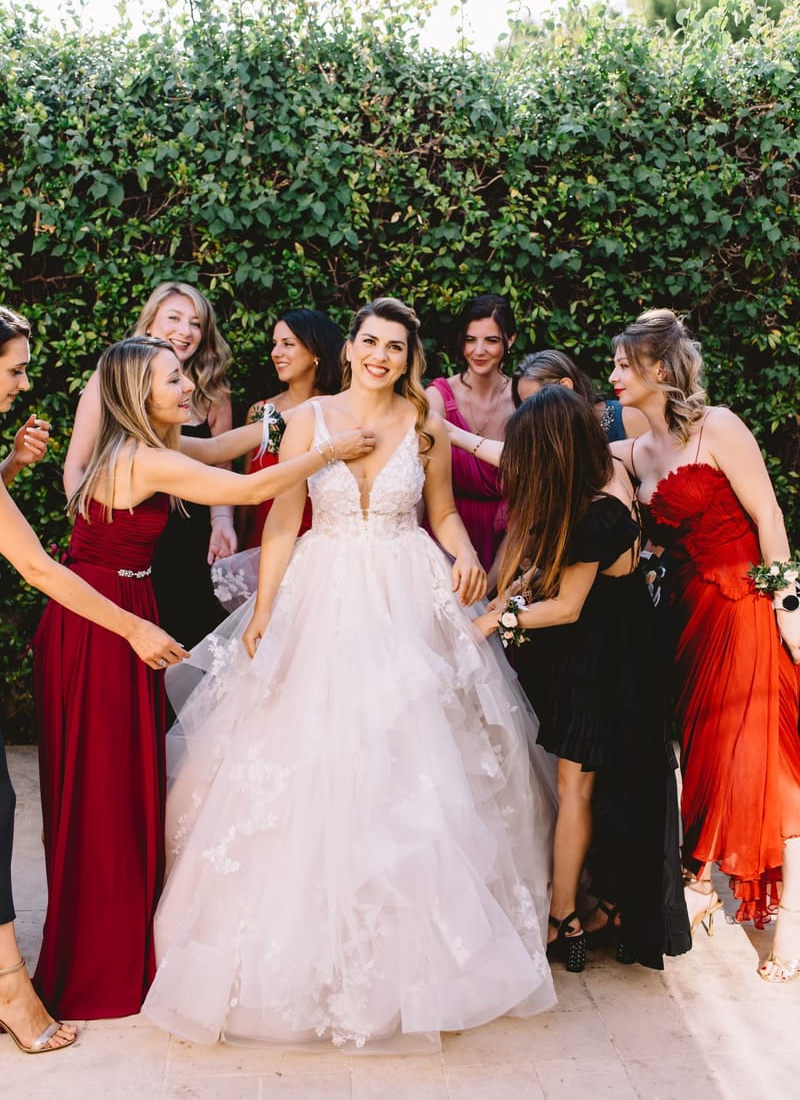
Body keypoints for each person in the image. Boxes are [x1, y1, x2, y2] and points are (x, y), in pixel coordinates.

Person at [142, 297, 557, 1051]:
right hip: (322, 591)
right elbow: (281, 517)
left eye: (395, 347)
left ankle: (412, 956)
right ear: (351, 348)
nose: (379, 356)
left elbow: (442, 512)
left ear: (409, 358)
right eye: (369, 341)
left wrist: (466, 553)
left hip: (405, 593)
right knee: (304, 754)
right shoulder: (308, 419)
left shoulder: (425, 422)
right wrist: (266, 608)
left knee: (410, 759)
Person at [34, 335, 373, 1021]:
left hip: (119, 608)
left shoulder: (152, 446)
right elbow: (246, 487)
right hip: (102, 623)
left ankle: (112, 943)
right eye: (173, 379)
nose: (188, 386)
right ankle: (98, 963)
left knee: (118, 785)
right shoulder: (142, 458)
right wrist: (326, 449)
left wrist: (296, 418)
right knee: (103, 788)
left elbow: (220, 449)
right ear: (139, 393)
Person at [0, 309, 185, 1054]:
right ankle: (12, 989)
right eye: (15, 368)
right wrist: (133, 628)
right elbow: (37, 566)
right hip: (99, 618)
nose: (23, 382)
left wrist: (11, 468)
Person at [466, 386, 689, 971]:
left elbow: (566, 607)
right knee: (594, 787)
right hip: (617, 650)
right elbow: (560, 571)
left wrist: (495, 621)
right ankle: (596, 907)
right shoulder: (606, 479)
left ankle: (562, 917)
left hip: (605, 663)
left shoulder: (596, 514)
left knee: (576, 790)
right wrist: (513, 594)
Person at [608, 309, 800, 982]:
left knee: (756, 762)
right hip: (685, 621)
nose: (613, 376)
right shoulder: (635, 452)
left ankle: (782, 925)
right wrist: (450, 434)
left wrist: (790, 609)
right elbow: (545, 448)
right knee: (705, 761)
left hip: (744, 608)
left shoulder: (718, 427)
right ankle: (706, 885)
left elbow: (768, 514)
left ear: (659, 369)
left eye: (623, 365)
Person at [63, 282, 236, 648]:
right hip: (131, 532)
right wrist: (94, 532)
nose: (185, 331)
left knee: (189, 635)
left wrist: (221, 521)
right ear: (150, 323)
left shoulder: (212, 391)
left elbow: (220, 455)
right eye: (174, 318)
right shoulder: (111, 377)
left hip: (189, 532)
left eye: (196, 323)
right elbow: (78, 463)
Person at [237, 308, 344, 549]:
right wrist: (239, 545)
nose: (276, 353)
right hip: (263, 543)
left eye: (288, 344)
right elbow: (246, 492)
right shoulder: (261, 411)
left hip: (321, 548)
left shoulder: (339, 412)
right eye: (275, 344)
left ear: (315, 350)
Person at [425, 294, 517, 574]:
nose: (479, 351)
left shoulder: (522, 400)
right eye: (470, 339)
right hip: (444, 533)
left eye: (491, 340)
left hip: (509, 538)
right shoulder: (437, 397)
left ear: (510, 340)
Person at [513, 349, 649, 439]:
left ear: (565, 386)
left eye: (531, 402)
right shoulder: (539, 440)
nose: (527, 413)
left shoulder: (628, 417)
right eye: (523, 406)